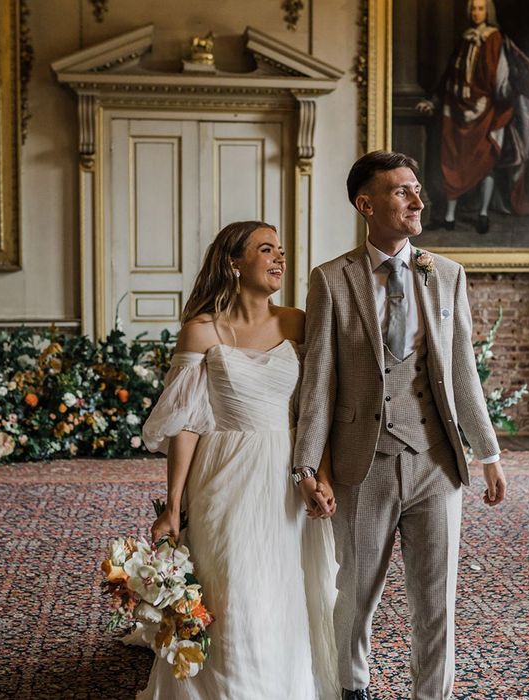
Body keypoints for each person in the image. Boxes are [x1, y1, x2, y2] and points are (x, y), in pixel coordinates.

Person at [293, 151, 507, 700]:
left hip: (437, 461)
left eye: (417, 189)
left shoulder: (447, 275)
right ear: (366, 205)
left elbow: (463, 371)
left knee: (436, 598)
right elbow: (318, 382)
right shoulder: (332, 280)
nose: (417, 200)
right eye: (401, 192)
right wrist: (306, 468)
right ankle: (352, 689)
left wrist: (488, 453)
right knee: (357, 592)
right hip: (362, 463)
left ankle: (431, 695)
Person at [140, 220, 340, 699]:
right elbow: (187, 423)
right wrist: (172, 506)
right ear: (234, 262)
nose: (279, 259)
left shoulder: (297, 321)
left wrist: (320, 475)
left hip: (286, 471)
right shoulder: (202, 330)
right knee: (231, 592)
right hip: (223, 474)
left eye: (281, 251)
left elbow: (316, 411)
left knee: (280, 590)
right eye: (265, 249)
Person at [416, 0, 529, 234]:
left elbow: (501, 78)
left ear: (488, 12)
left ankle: (482, 214)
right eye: (473, 8)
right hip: (456, 109)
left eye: (481, 8)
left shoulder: (495, 38)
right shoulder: (465, 38)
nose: (476, 13)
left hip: (487, 111)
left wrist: (503, 100)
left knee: (487, 162)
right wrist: (433, 100)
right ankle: (449, 217)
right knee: (454, 162)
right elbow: (449, 75)